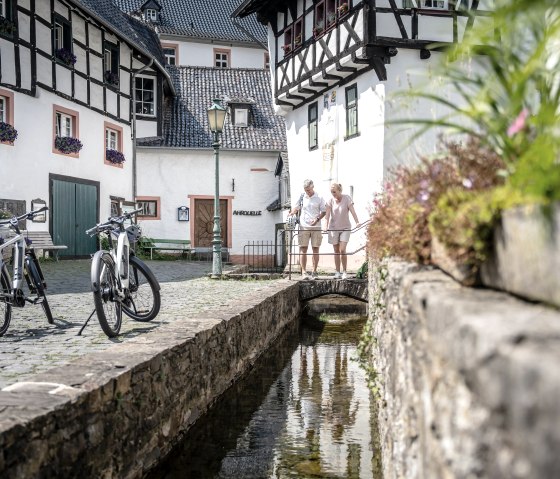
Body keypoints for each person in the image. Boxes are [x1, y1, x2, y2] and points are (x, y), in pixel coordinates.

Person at [288, 179, 326, 280]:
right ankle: (304, 272)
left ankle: (314, 271)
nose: (307, 192)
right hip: (303, 226)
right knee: (303, 249)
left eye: (308, 190)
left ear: (313, 187)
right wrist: (292, 212)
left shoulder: (319, 197)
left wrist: (317, 219)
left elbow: (324, 211)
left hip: (316, 227)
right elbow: (296, 207)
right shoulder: (302, 197)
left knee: (315, 249)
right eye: (305, 190)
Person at [325, 182, 359, 279]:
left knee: (342, 249)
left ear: (339, 190)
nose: (333, 194)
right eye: (331, 192)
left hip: (345, 228)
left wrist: (357, 222)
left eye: (334, 192)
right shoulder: (330, 201)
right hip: (333, 228)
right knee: (336, 251)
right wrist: (325, 227)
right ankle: (337, 272)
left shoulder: (347, 198)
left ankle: (344, 271)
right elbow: (327, 216)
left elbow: (353, 211)